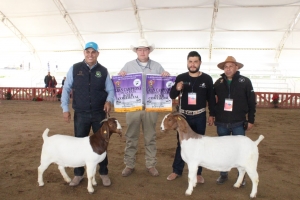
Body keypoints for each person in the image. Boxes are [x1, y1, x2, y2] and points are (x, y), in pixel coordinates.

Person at [61, 41, 114, 187]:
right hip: (81, 114)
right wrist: (65, 108)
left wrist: (109, 101)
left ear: (97, 54)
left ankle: (103, 173)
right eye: (88, 52)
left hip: (99, 114)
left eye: (93, 52)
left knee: (101, 144)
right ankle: (78, 174)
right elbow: (66, 89)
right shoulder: (75, 69)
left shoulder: (103, 71)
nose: (90, 54)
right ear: (84, 53)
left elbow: (110, 90)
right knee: (78, 145)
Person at [118, 38, 170, 177]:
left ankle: (151, 164)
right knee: (131, 136)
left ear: (149, 51)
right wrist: (121, 76)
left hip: (151, 108)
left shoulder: (158, 66)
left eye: (145, 49)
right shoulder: (127, 66)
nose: (142, 52)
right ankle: (129, 165)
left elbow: (165, 86)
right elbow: (120, 84)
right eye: (139, 49)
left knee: (150, 137)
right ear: (136, 51)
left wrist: (165, 76)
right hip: (133, 107)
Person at [167, 51, 215, 183]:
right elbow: (171, 95)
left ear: (200, 63)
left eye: (195, 62)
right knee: (181, 144)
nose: (192, 64)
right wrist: (177, 88)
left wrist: (212, 114)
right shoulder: (181, 77)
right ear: (187, 63)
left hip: (200, 115)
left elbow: (211, 98)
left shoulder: (207, 79)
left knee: (199, 144)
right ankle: (177, 170)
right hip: (183, 117)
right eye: (190, 61)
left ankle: (198, 173)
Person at [213, 56, 256, 186]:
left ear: (236, 67)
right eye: (226, 67)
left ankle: (241, 177)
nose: (228, 69)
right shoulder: (218, 83)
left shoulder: (245, 82)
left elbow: (251, 102)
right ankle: (223, 174)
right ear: (223, 69)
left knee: (240, 151)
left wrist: (251, 120)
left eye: (231, 66)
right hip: (221, 122)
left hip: (239, 122)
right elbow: (213, 101)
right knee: (223, 150)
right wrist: (212, 115)